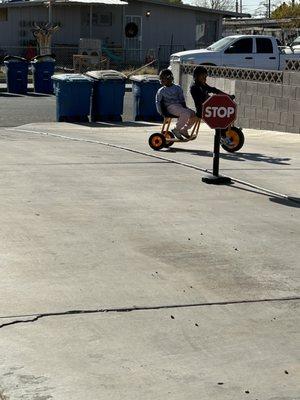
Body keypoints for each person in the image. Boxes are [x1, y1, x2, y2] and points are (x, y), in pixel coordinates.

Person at [190, 65, 233, 145]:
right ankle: (222, 137)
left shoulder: (203, 85)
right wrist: (212, 100)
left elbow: (214, 90)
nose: (205, 78)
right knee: (219, 116)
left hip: (209, 108)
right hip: (202, 111)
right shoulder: (194, 87)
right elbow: (202, 100)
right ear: (196, 76)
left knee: (223, 112)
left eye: (205, 76)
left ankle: (224, 133)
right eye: (203, 76)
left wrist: (228, 96)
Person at [156, 69, 196, 139]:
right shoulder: (161, 91)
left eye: (163, 78)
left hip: (179, 106)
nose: (161, 80)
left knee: (194, 115)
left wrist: (185, 107)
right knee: (185, 113)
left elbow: (182, 99)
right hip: (170, 107)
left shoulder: (177, 88)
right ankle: (176, 129)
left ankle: (184, 130)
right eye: (161, 78)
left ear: (170, 78)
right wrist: (161, 113)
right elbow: (158, 102)